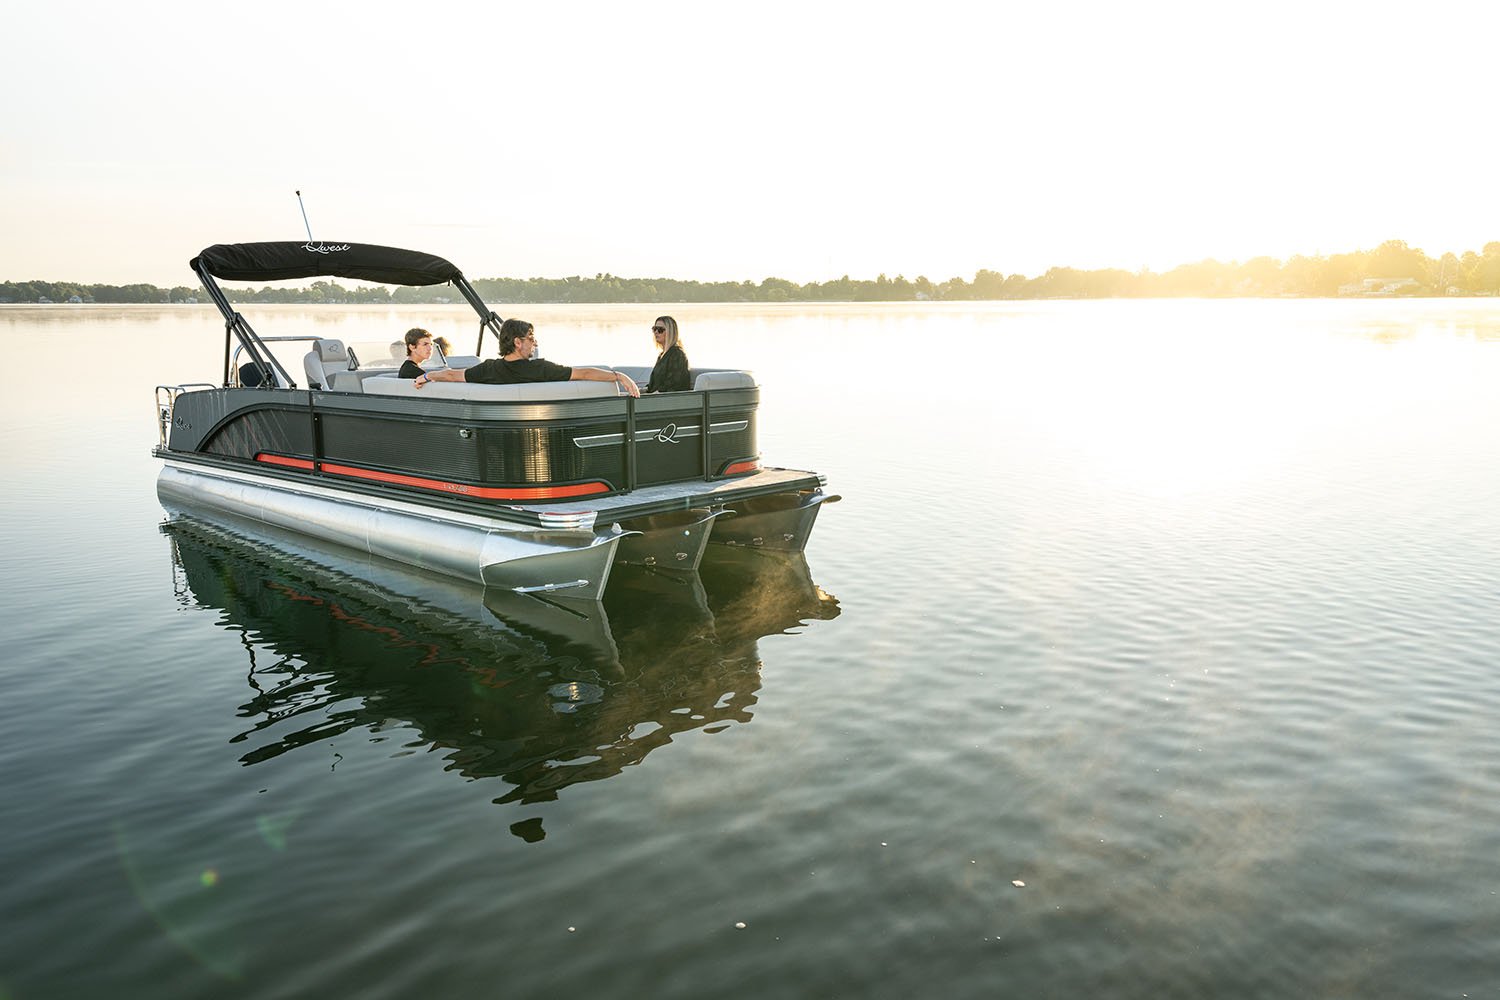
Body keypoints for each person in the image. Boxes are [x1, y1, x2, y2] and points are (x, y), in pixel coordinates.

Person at [415, 318, 640, 396]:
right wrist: (618, 376)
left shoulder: (489, 369)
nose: (534, 343)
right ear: (517, 342)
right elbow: (584, 373)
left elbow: (452, 375)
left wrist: (427, 377)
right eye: (530, 338)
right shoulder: (541, 369)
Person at [644, 315, 691, 393]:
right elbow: (653, 386)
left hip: (668, 399)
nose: (656, 332)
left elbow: (675, 385)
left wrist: (653, 395)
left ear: (670, 332)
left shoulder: (677, 354)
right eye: (654, 329)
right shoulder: (661, 356)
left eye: (660, 330)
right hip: (656, 397)